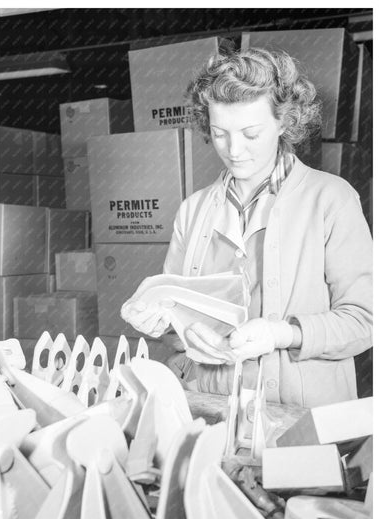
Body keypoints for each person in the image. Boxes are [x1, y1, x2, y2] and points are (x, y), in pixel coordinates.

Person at [121, 47, 372, 408]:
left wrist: (281, 334)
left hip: (303, 417)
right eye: (220, 133)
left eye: (251, 133)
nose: (234, 149)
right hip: (210, 407)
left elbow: (365, 321)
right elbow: (178, 324)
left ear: (284, 122)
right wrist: (164, 323)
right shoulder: (193, 211)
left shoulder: (331, 199)